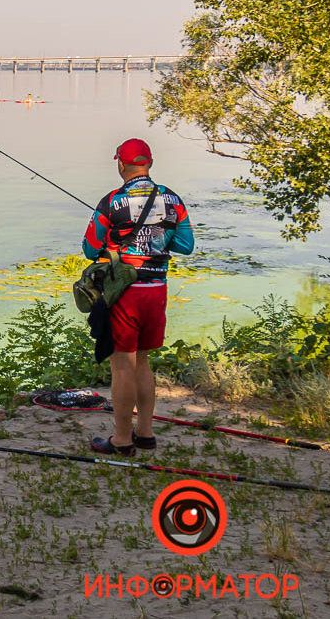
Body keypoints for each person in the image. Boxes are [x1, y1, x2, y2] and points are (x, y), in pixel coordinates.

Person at [83, 138, 194, 455]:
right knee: (143, 362)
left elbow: (90, 248)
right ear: (150, 162)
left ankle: (122, 439)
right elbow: (186, 246)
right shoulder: (173, 201)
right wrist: (160, 236)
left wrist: (118, 244)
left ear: (120, 164)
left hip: (126, 292)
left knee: (122, 365)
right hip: (157, 290)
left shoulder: (112, 202)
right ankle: (145, 433)